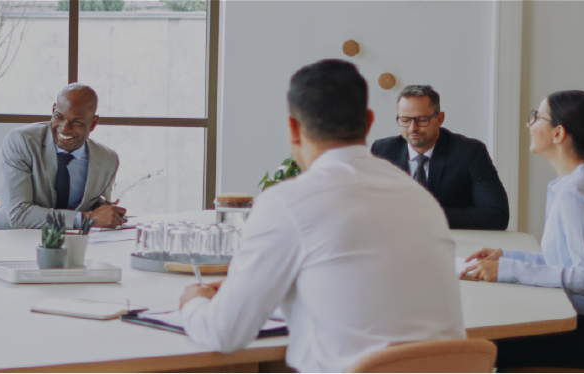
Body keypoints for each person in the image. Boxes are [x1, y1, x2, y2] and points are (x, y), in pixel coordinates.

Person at [175, 59, 466, 373]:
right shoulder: (422, 200)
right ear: (369, 123)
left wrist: (194, 300)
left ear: (293, 128)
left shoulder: (287, 203)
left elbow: (224, 332)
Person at [461, 90, 584, 370]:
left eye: (536, 117)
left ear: (558, 133)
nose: (529, 124)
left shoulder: (577, 192)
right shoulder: (575, 183)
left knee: (484, 347)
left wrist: (510, 270)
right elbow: (563, 262)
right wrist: (505, 258)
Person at [0, 84, 126, 232]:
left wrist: (107, 212)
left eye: (76, 122)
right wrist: (86, 219)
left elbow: (95, 205)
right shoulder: (21, 141)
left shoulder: (107, 160)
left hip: (66, 246)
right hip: (4, 239)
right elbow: (19, 214)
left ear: (93, 123)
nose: (64, 128)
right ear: (53, 110)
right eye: (59, 117)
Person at [370, 85, 511, 230]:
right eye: (405, 120)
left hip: (452, 243)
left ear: (440, 119)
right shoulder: (382, 150)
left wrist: (427, 215)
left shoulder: (470, 152)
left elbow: (497, 215)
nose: (413, 128)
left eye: (422, 119)